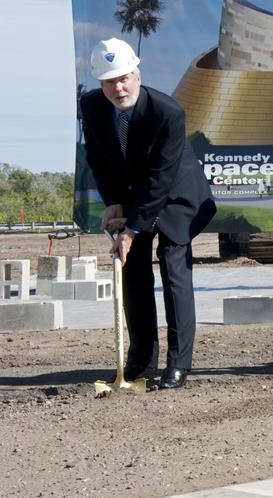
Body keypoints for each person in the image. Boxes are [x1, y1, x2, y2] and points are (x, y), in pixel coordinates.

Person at [80, 38, 217, 390]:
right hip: (132, 195)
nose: (118, 87)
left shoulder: (167, 112)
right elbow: (97, 158)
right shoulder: (92, 106)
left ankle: (178, 363)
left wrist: (131, 229)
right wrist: (113, 202)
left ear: (137, 75)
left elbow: (160, 176)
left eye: (124, 78)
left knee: (173, 268)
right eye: (110, 81)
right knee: (133, 272)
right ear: (100, 83)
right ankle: (140, 357)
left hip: (175, 195)